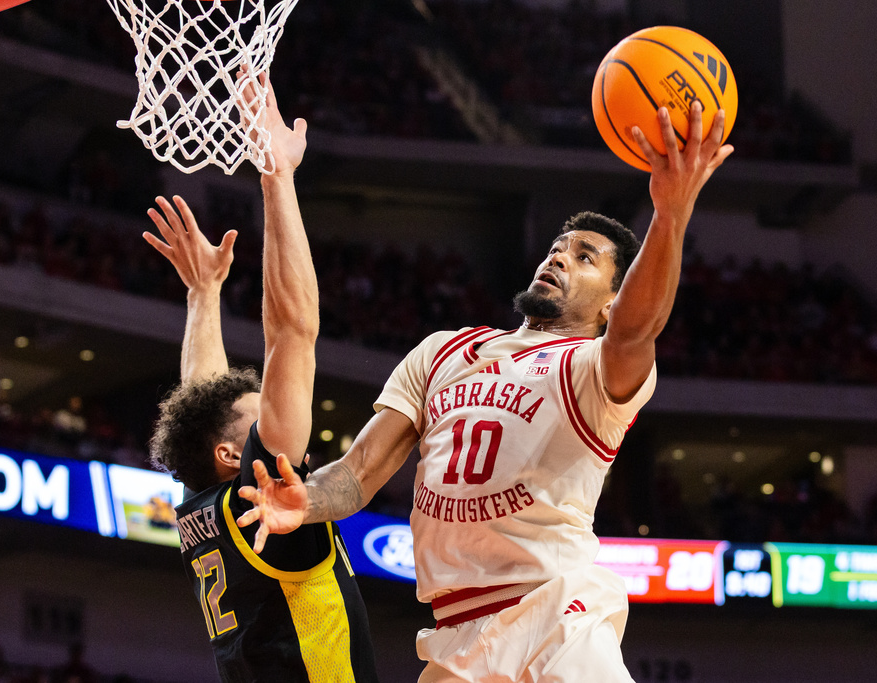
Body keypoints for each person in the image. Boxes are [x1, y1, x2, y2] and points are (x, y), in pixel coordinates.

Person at [239, 103, 733, 682]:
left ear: (608, 302)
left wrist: (670, 216)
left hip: (558, 615)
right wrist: (309, 501)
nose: (559, 256)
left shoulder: (595, 369)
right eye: (559, 245)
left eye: (585, 257)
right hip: (455, 636)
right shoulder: (444, 351)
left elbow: (636, 328)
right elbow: (358, 472)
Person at [144, 72, 378, 683]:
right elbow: (292, 333)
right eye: (258, 415)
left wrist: (205, 293)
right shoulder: (255, 501)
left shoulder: (211, 506)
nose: (273, 419)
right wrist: (276, 178)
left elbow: (205, 398)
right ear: (231, 455)